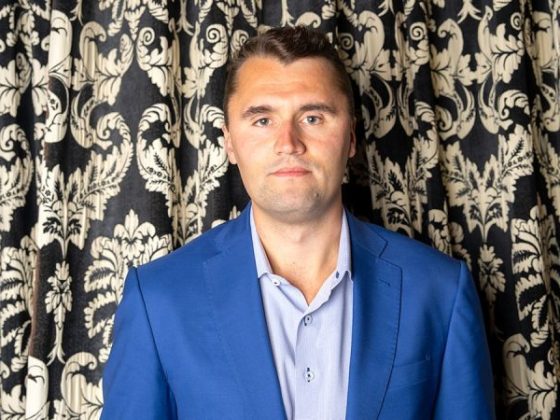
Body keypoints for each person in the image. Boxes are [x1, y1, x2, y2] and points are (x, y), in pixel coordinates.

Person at [101, 26, 495, 419]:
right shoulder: (158, 300)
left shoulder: (440, 291)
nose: (288, 143)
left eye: (312, 117)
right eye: (262, 120)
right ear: (229, 142)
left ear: (351, 137)